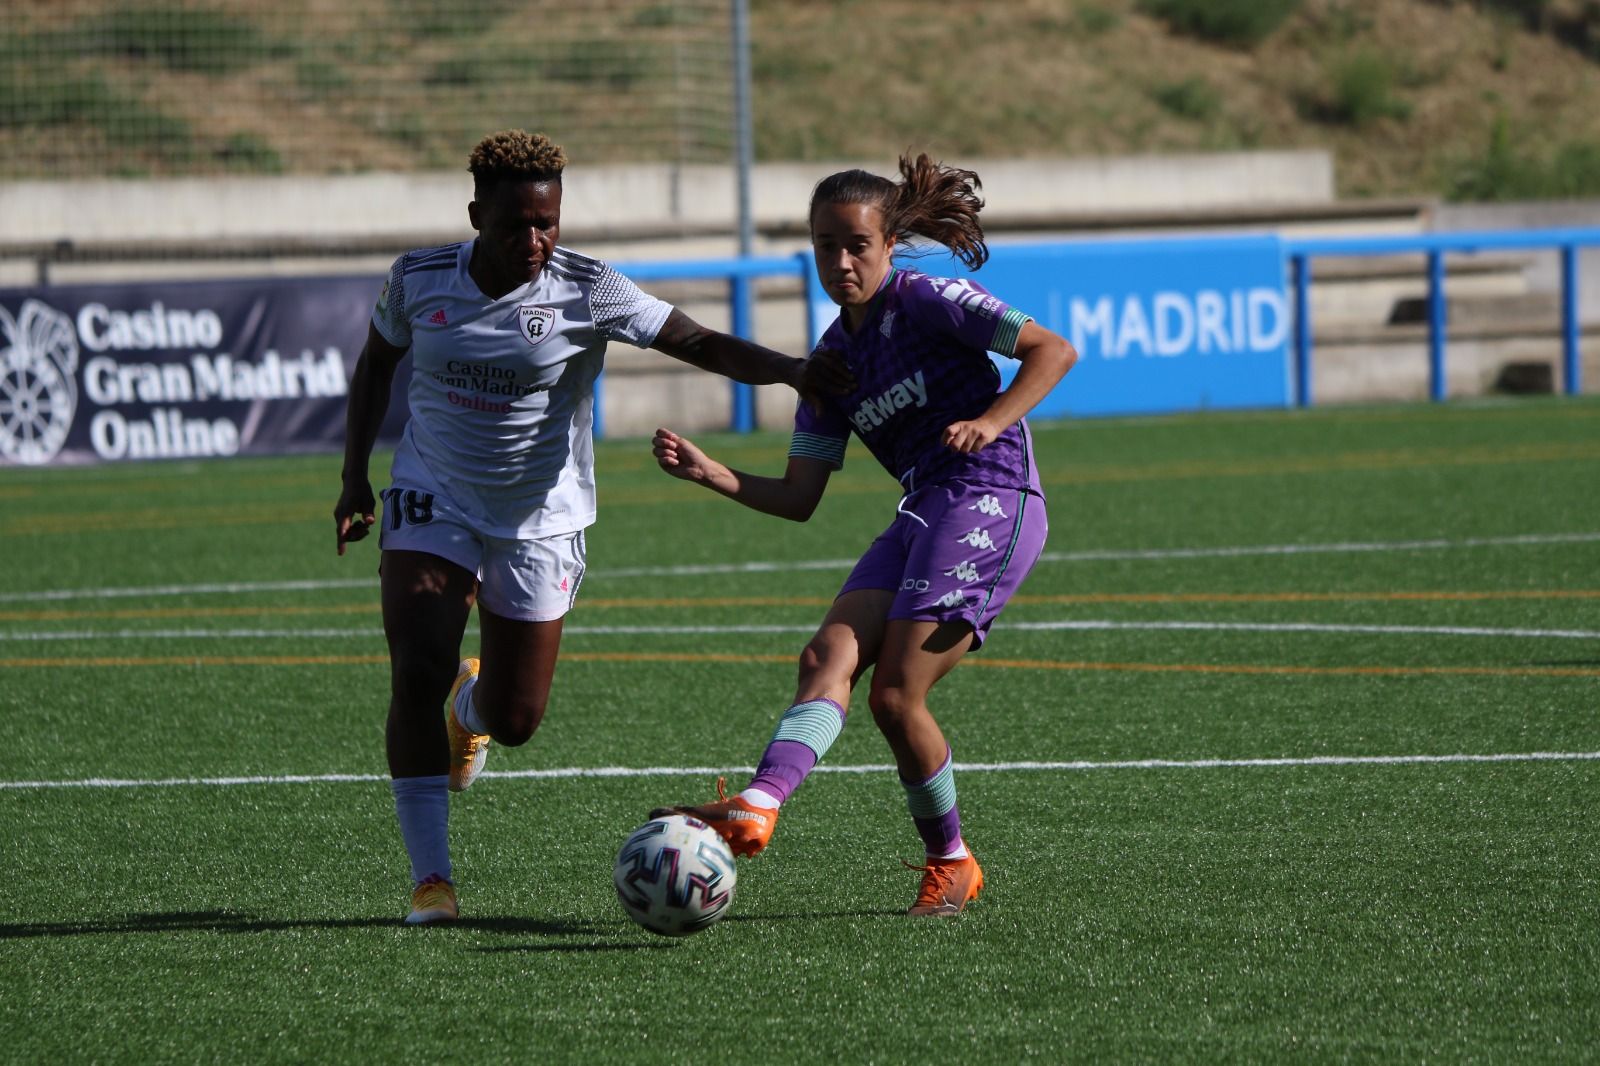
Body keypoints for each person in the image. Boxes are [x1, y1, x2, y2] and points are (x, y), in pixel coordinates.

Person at [334, 129, 834, 925]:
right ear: (476, 215)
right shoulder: (418, 279)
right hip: (434, 494)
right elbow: (376, 364)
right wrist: (356, 474)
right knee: (416, 666)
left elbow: (694, 339)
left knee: (518, 719)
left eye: (548, 224)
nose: (534, 242)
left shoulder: (588, 288)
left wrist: (792, 370)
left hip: (543, 515)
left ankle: (474, 713)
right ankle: (432, 880)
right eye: (515, 227)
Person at [650, 152, 1077, 916]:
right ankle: (759, 803)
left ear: (888, 246)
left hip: (991, 496)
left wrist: (990, 420)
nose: (840, 262)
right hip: (923, 509)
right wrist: (713, 474)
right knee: (826, 656)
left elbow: (1053, 350)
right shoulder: (831, 364)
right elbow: (799, 496)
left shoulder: (925, 298)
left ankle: (952, 863)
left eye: (857, 246)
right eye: (824, 246)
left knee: (894, 694)